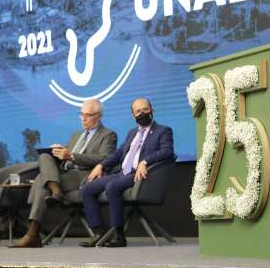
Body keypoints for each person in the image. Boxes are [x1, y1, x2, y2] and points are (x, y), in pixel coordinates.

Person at [10, 99, 117, 248]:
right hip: (66, 172)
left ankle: (32, 234)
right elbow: (66, 155)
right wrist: (59, 151)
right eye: (81, 114)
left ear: (99, 116)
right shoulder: (76, 135)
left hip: (84, 174)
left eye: (88, 115)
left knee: (42, 179)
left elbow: (105, 158)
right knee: (45, 156)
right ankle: (56, 191)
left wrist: (71, 155)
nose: (83, 118)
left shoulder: (108, 135)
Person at [80, 98, 174, 247]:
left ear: (152, 110)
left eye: (145, 110)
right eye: (138, 111)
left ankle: (119, 236)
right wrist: (101, 165)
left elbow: (167, 152)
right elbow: (118, 153)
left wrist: (145, 161)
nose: (142, 113)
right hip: (123, 172)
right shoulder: (132, 133)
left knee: (112, 187)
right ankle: (99, 233)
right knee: (87, 189)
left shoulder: (163, 131)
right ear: (133, 115)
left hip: (140, 174)